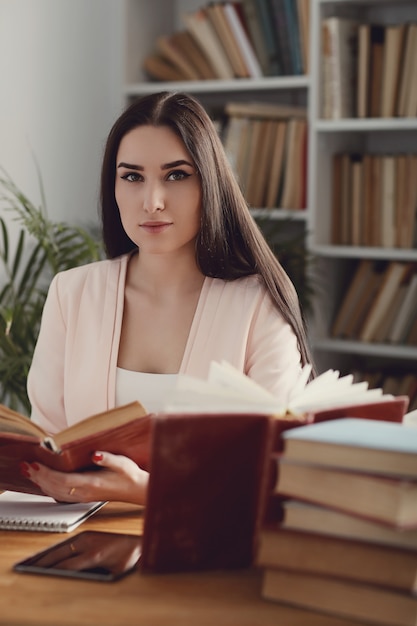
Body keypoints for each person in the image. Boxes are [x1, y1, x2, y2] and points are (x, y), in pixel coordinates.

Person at [21, 91, 314, 505]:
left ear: (208, 183)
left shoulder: (258, 304)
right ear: (114, 186)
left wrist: (150, 492)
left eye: (176, 175)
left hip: (208, 545)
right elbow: (46, 445)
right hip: (77, 536)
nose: (152, 202)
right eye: (132, 176)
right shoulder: (72, 293)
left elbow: (273, 468)